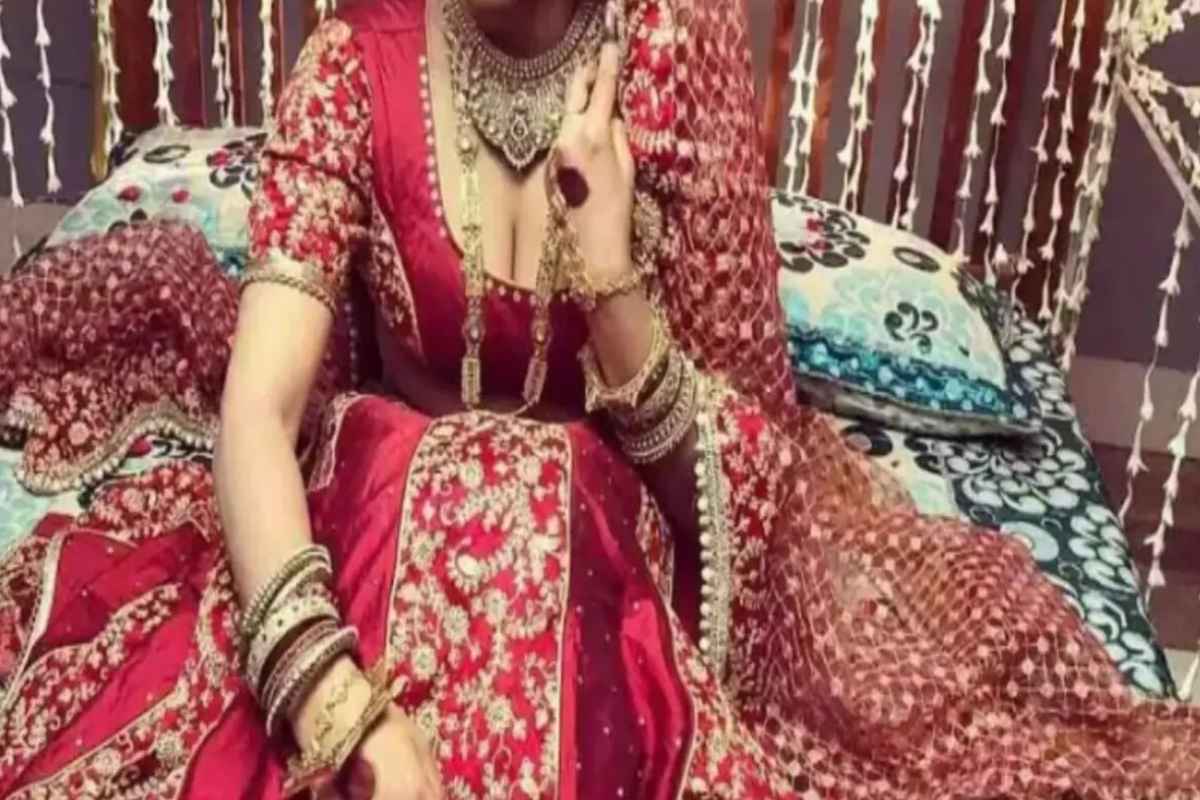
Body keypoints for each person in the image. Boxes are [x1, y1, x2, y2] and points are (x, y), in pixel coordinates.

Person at [0, 0, 1198, 797]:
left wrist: (612, 269)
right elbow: (256, 412)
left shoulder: (666, 67)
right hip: (374, 532)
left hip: (591, 566)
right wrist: (334, 704)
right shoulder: (356, 64)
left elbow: (724, 477)